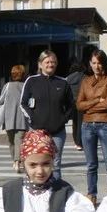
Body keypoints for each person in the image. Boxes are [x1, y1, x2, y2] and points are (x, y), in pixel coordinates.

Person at [19, 50, 74, 179]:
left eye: (53, 62)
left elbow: (71, 105)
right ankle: (35, 191)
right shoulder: (31, 81)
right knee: (37, 162)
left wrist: (63, 120)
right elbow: (23, 103)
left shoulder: (63, 83)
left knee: (55, 165)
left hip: (58, 132)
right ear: (40, 64)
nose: (50, 65)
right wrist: (33, 117)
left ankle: (55, 193)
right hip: (37, 130)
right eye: (47, 62)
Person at [77, 49, 107, 203]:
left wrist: (90, 106)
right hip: (87, 125)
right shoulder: (86, 81)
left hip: (106, 124)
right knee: (91, 164)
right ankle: (92, 194)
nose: (97, 66)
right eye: (94, 63)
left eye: (99, 63)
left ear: (104, 63)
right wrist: (97, 101)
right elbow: (79, 105)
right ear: (90, 64)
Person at [0, 64, 27, 172]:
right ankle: (17, 162)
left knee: (12, 142)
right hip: (22, 118)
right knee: (19, 140)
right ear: (23, 74)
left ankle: (15, 162)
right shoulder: (26, 86)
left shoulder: (7, 86)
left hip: (9, 118)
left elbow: (0, 101)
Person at [65, 60, 87, 151]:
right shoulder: (85, 78)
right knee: (81, 122)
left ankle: (76, 142)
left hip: (72, 102)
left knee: (75, 122)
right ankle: (80, 142)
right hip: (81, 102)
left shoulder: (68, 78)